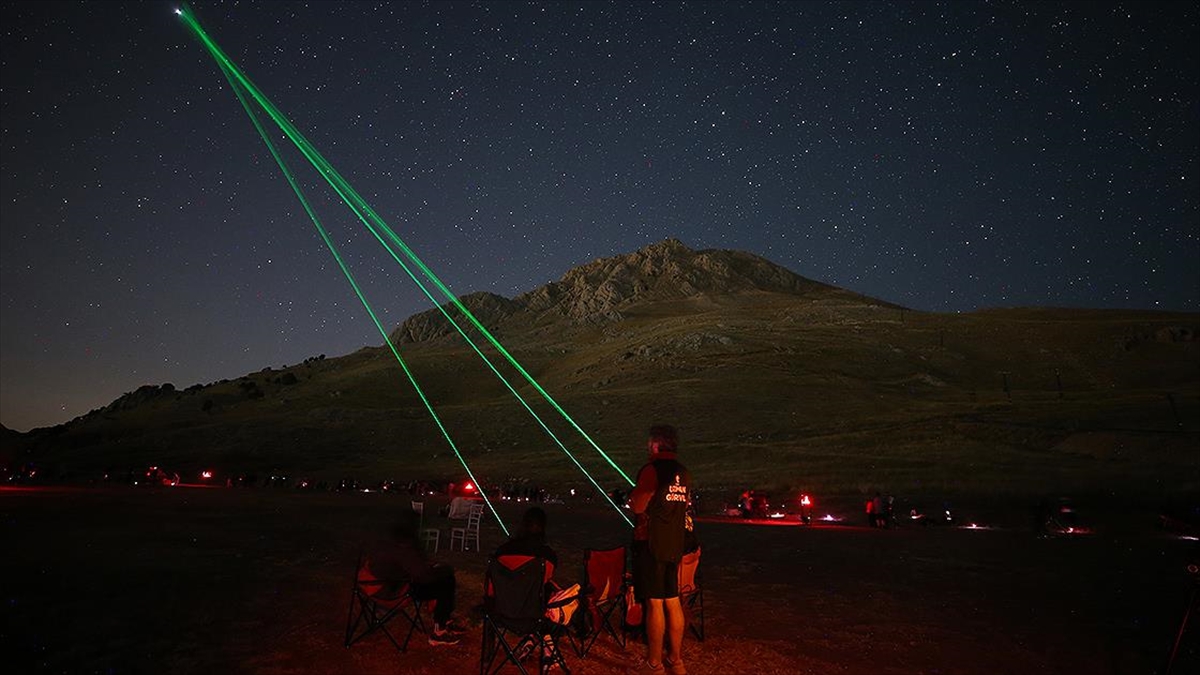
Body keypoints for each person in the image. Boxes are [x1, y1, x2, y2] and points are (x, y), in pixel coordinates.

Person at [627, 424, 692, 675]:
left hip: (652, 545)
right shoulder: (684, 472)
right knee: (672, 600)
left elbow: (639, 506)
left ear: (656, 445)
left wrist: (635, 497)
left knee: (654, 603)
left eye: (649, 443)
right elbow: (684, 505)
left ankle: (654, 664)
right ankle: (676, 660)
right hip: (674, 544)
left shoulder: (651, 470)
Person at [369, 508, 464, 645]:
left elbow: (409, 566)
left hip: (378, 584)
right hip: (395, 591)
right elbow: (422, 576)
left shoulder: (388, 539)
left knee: (444, 576)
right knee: (445, 582)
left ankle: (445, 620)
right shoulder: (403, 545)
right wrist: (437, 570)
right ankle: (439, 631)